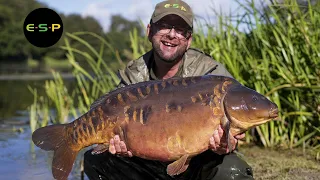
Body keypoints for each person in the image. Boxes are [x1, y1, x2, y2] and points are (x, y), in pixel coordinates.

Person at [83, 0, 254, 179]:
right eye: (164, 26)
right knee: (96, 160)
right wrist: (120, 147)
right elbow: (109, 117)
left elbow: (234, 129)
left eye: (180, 30)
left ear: (189, 40)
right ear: (149, 31)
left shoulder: (211, 74)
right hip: (146, 161)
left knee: (233, 171)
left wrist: (227, 144)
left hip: (197, 163)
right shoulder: (133, 76)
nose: (172, 34)